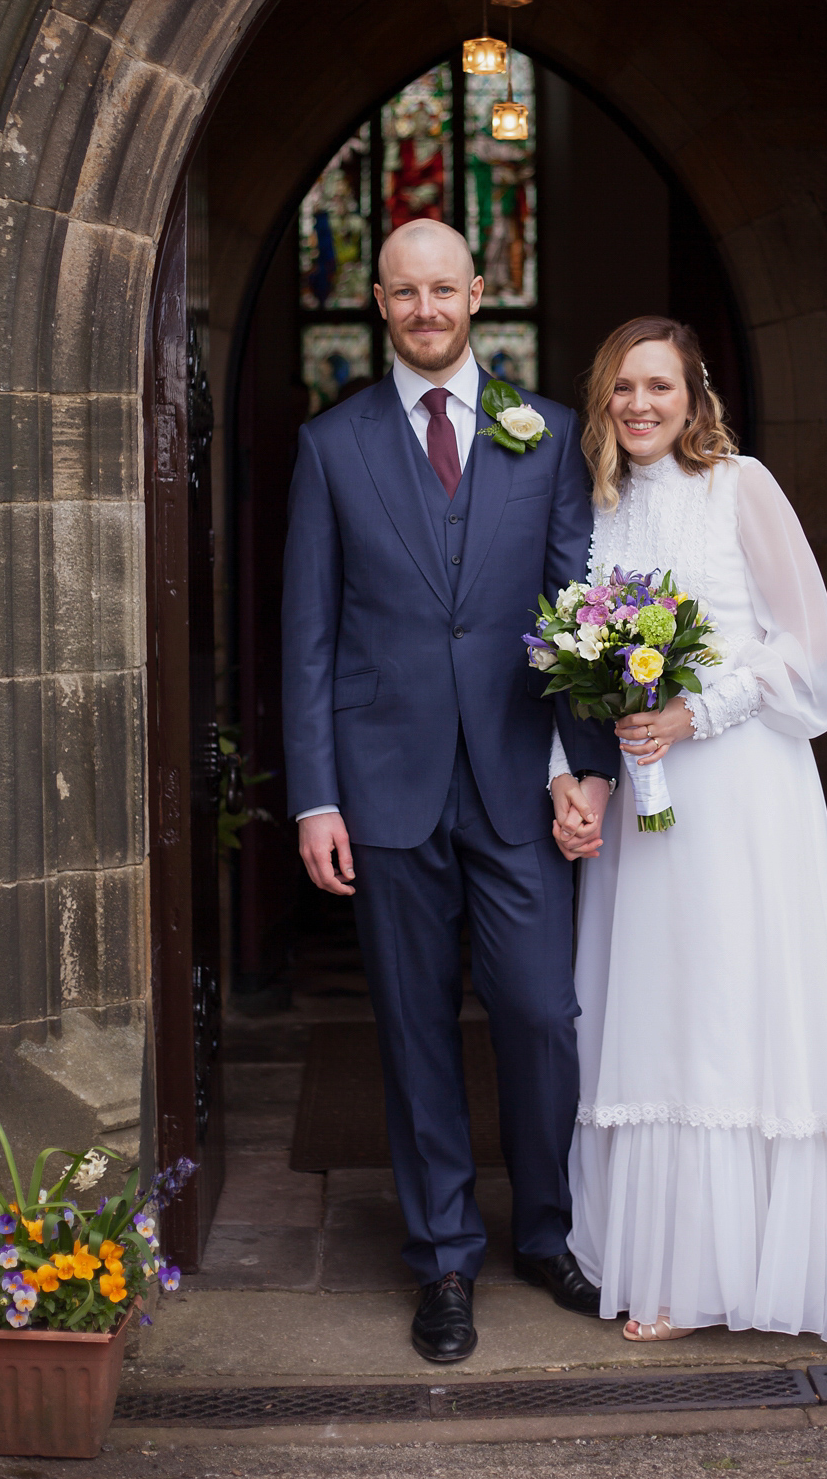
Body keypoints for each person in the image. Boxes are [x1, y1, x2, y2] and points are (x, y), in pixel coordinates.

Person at [282, 220, 618, 1363]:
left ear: (480, 292)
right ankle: (443, 1260)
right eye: (405, 292)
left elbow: (577, 618)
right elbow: (310, 639)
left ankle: (546, 1230)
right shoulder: (332, 446)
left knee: (539, 1012)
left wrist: (587, 769)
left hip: (522, 780)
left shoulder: (551, 434)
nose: (427, 309)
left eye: (445, 288)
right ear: (379, 302)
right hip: (385, 789)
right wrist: (314, 797)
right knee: (416, 1027)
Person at [549, 316, 827, 1344]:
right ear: (603, 403)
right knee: (656, 1004)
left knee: (737, 1002)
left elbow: (809, 653)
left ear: (695, 398)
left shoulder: (745, 486)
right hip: (647, 807)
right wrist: (576, 772)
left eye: (660, 386)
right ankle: (671, 1263)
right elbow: (569, 670)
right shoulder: (595, 509)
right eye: (622, 389)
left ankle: (745, 1267)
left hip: (742, 789)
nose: (640, 405)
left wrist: (693, 713)